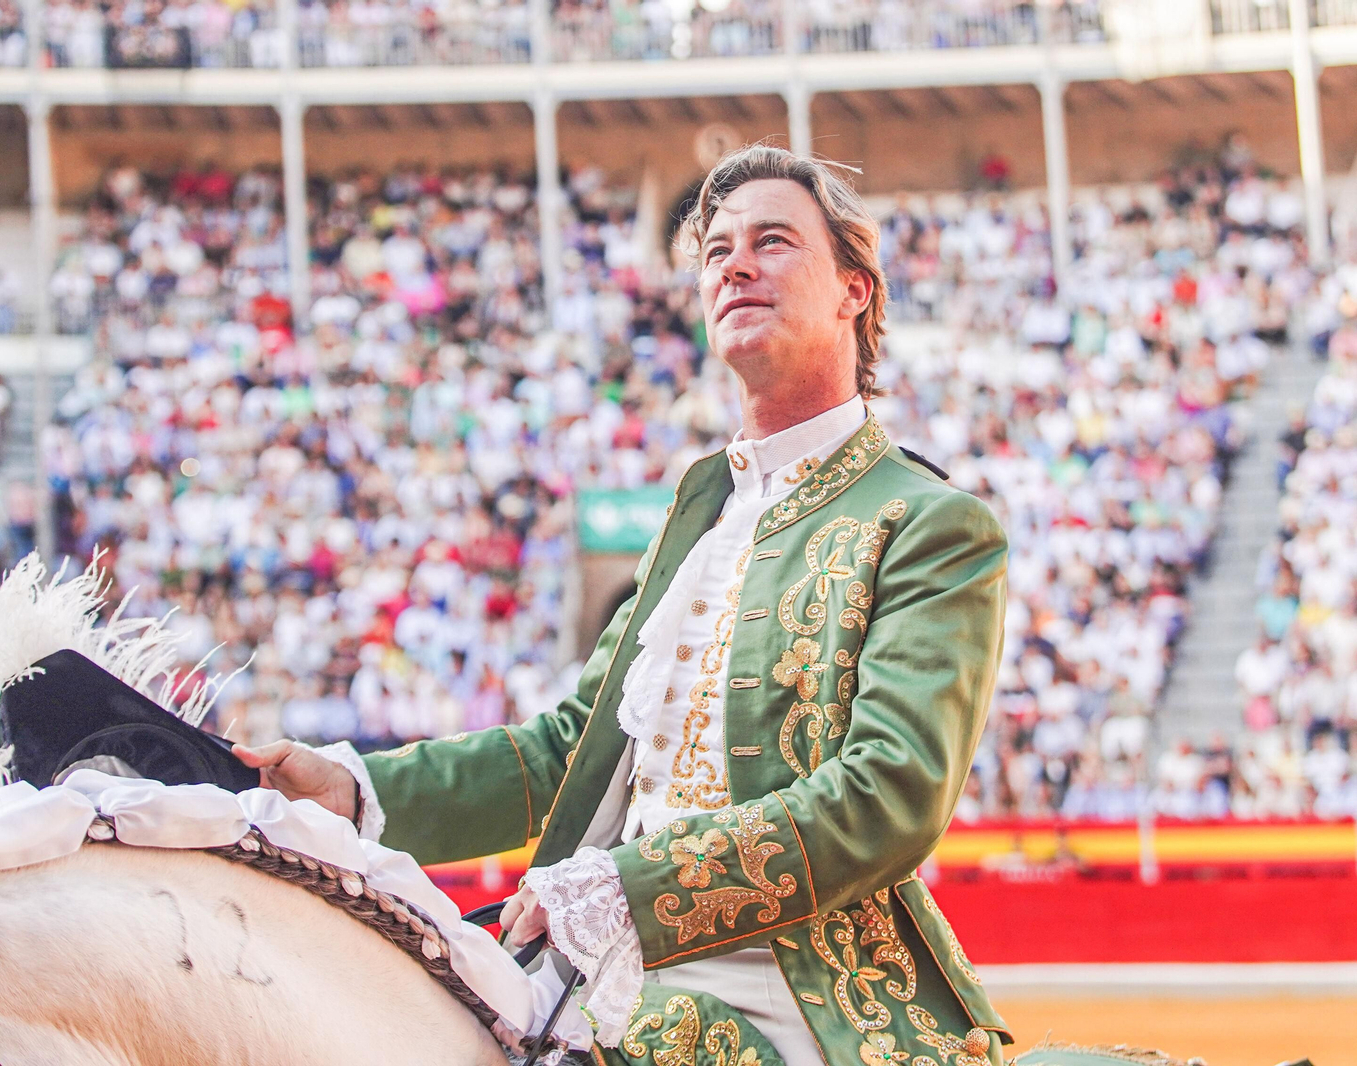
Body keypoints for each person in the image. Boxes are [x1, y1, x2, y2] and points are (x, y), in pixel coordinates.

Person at [237, 144, 1011, 1064]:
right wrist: (359, 790)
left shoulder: (927, 521)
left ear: (855, 289)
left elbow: (890, 793)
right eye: (717, 249)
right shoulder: (699, 518)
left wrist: (628, 888)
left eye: (773, 241)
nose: (736, 264)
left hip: (798, 991)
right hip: (607, 971)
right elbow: (569, 753)